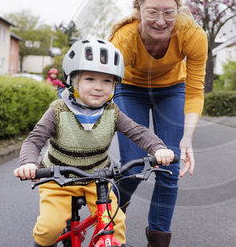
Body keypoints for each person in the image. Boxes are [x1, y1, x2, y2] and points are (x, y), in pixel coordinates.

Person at [13, 38, 175, 247]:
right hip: (57, 179)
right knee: (49, 229)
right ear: (73, 80)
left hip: (96, 180)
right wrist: (28, 163)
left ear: (115, 84)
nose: (99, 87)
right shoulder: (58, 110)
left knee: (115, 226)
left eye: (107, 81)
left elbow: (138, 132)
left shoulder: (112, 112)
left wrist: (158, 148)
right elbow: (34, 140)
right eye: (90, 78)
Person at [108, 0, 208, 246]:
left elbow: (195, 90)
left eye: (169, 12)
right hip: (129, 89)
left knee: (169, 168)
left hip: (171, 90)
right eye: (152, 12)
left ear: (178, 9)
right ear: (138, 8)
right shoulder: (123, 39)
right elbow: (106, 87)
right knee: (132, 168)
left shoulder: (192, 35)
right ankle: (111, 220)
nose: (161, 21)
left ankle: (158, 240)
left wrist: (186, 138)